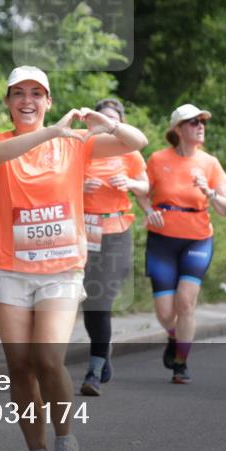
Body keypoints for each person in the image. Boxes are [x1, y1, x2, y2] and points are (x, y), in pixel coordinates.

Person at [0, 66, 148, 451]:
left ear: (49, 100)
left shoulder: (77, 144)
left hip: (60, 270)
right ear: (8, 102)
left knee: (47, 358)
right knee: (18, 365)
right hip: (10, 269)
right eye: (19, 93)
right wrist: (52, 132)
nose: (28, 100)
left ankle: (66, 442)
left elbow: (136, 142)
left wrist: (105, 122)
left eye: (37, 93)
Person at [142, 104, 226, 384]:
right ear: (178, 129)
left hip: (197, 238)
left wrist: (210, 192)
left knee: (186, 302)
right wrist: (148, 210)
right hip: (161, 241)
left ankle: (181, 363)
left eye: (202, 121)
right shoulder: (158, 159)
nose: (200, 126)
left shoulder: (210, 163)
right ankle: (174, 335)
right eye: (193, 122)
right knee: (165, 313)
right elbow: (142, 192)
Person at [79, 98, 149, 397]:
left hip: (116, 230)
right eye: (101, 119)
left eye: (112, 120)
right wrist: (79, 186)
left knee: (100, 301)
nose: (106, 125)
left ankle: (94, 371)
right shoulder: (81, 147)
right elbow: (56, 183)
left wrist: (131, 183)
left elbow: (146, 187)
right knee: (83, 303)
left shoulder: (129, 151)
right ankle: (102, 354)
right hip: (81, 229)